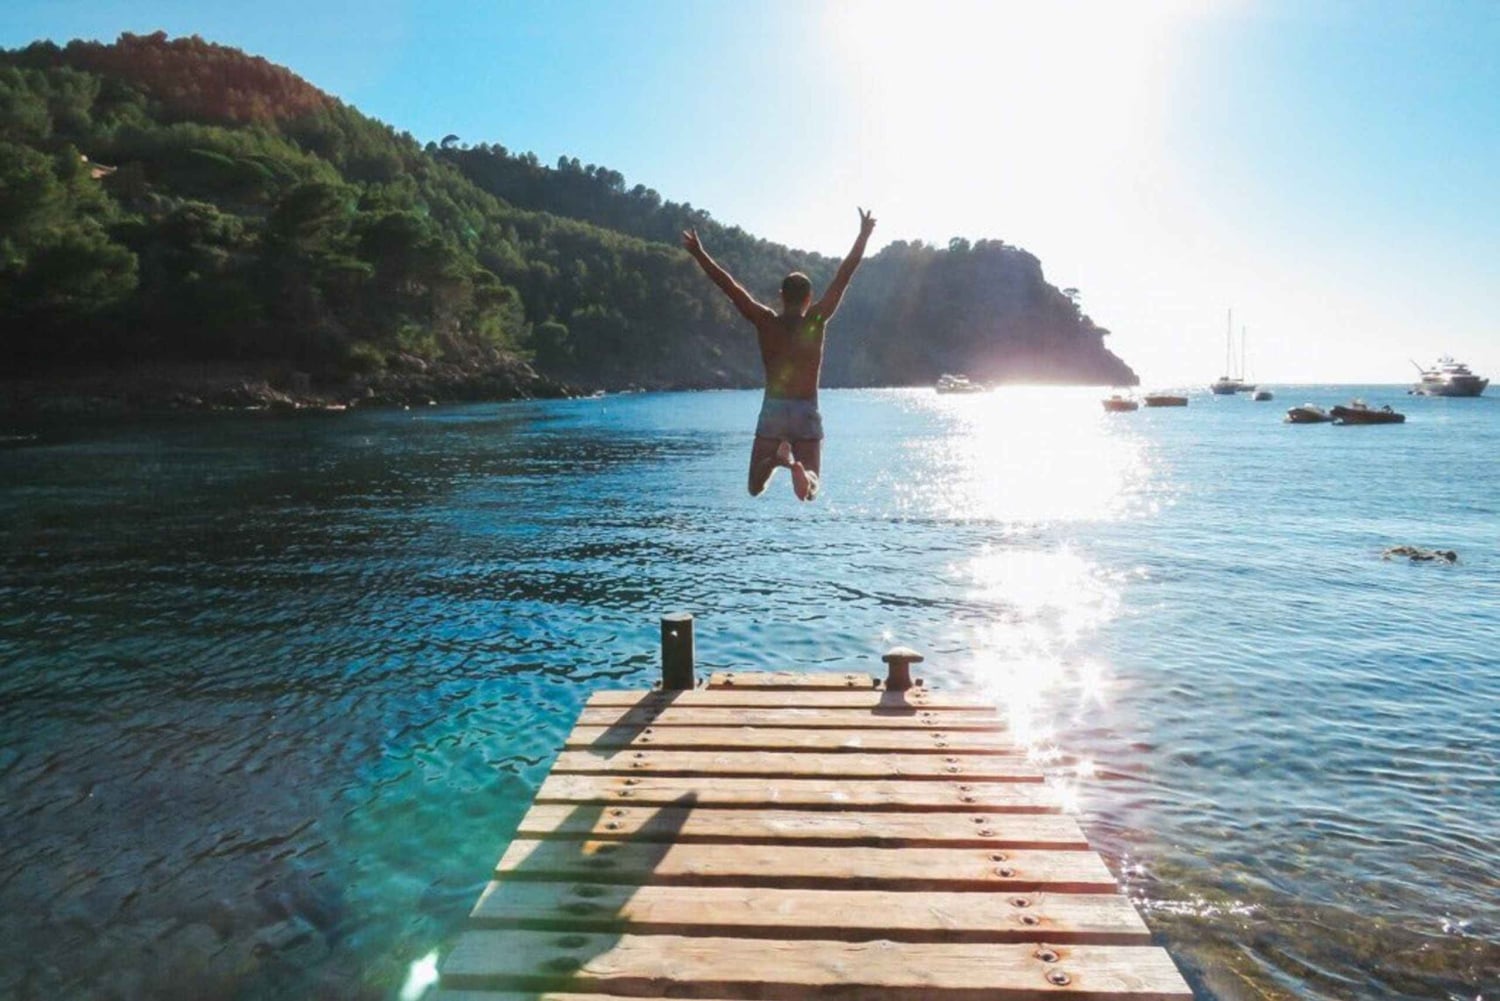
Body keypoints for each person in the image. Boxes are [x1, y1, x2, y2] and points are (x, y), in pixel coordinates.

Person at [683, 207, 875, 501]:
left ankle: (775, 460)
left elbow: (729, 287)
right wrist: (863, 235)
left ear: (781, 296)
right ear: (809, 298)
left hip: (773, 409)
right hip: (806, 408)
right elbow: (844, 275)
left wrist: (699, 253)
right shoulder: (816, 320)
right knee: (811, 490)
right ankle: (803, 473)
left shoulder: (766, 321)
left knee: (755, 486)